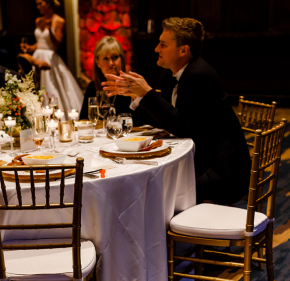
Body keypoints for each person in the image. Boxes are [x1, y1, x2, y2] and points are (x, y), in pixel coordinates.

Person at [103, 18, 251, 206]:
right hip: (200, 160)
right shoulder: (170, 75)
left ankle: (161, 235)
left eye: (163, 45)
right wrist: (136, 97)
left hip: (222, 172)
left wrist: (147, 94)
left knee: (155, 190)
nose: (156, 49)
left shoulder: (199, 76)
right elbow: (165, 120)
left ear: (183, 50)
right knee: (152, 184)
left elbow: (182, 127)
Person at [21, 0, 83, 112]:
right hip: (37, 57)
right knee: (36, 86)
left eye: (40, 3)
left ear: (48, 3)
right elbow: (40, 43)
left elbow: (57, 44)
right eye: (37, 4)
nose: (38, 7)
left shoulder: (59, 20)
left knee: (52, 87)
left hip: (50, 58)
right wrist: (29, 47)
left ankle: (55, 112)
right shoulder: (38, 21)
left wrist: (49, 29)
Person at [79, 36, 147, 123]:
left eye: (114, 57)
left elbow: (143, 121)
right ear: (97, 62)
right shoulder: (93, 87)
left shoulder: (131, 86)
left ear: (122, 59)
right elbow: (83, 120)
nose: (111, 63)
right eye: (106, 59)